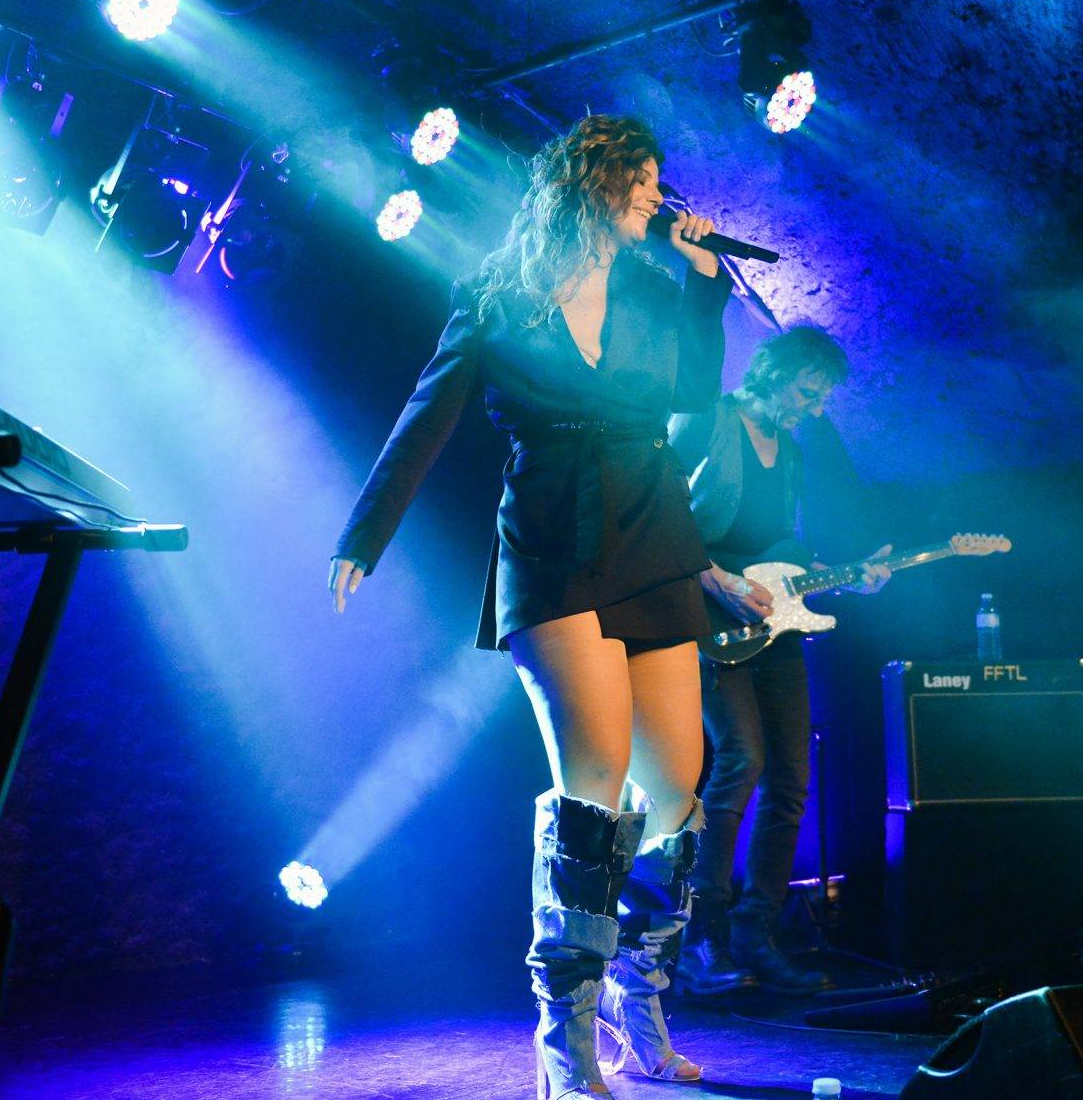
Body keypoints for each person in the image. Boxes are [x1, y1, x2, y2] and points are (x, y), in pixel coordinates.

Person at [328, 114, 731, 1097]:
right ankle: (566, 1036)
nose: (655, 195)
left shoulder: (651, 280)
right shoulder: (494, 291)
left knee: (674, 790)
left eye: (656, 181)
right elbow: (429, 408)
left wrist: (705, 291)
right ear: (591, 184)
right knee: (593, 780)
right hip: (549, 538)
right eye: (641, 180)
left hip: (650, 526)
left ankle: (642, 996)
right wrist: (364, 532)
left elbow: (694, 395)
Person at [667, 325, 888, 995]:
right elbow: (660, 513)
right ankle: (700, 935)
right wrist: (719, 582)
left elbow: (778, 544)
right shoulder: (706, 417)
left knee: (792, 776)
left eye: (822, 399)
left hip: (773, 628)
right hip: (706, 618)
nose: (814, 408)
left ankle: (754, 934)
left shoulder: (790, 451)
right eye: (807, 391)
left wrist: (840, 574)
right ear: (771, 369)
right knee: (742, 759)